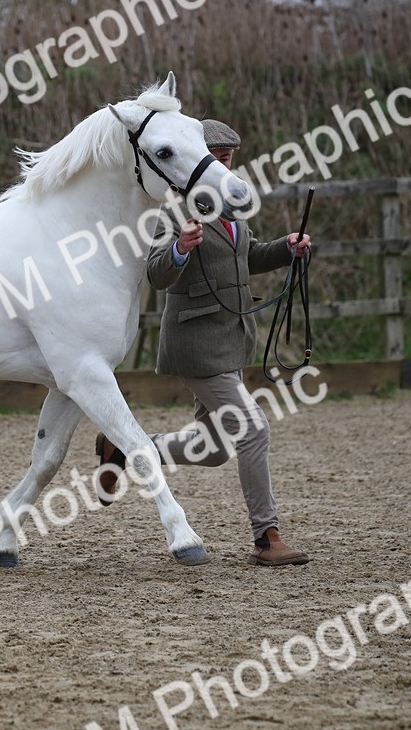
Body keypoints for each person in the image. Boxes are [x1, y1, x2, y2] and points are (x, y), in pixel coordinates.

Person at [96, 119, 311, 566]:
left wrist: (286, 248)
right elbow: (156, 273)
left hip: (232, 341)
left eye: (230, 158)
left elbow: (245, 259)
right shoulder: (168, 209)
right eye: (218, 157)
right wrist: (180, 247)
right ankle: (266, 537)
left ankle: (125, 446)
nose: (226, 166)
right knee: (254, 431)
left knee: (212, 450)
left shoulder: (232, 205)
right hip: (196, 345)